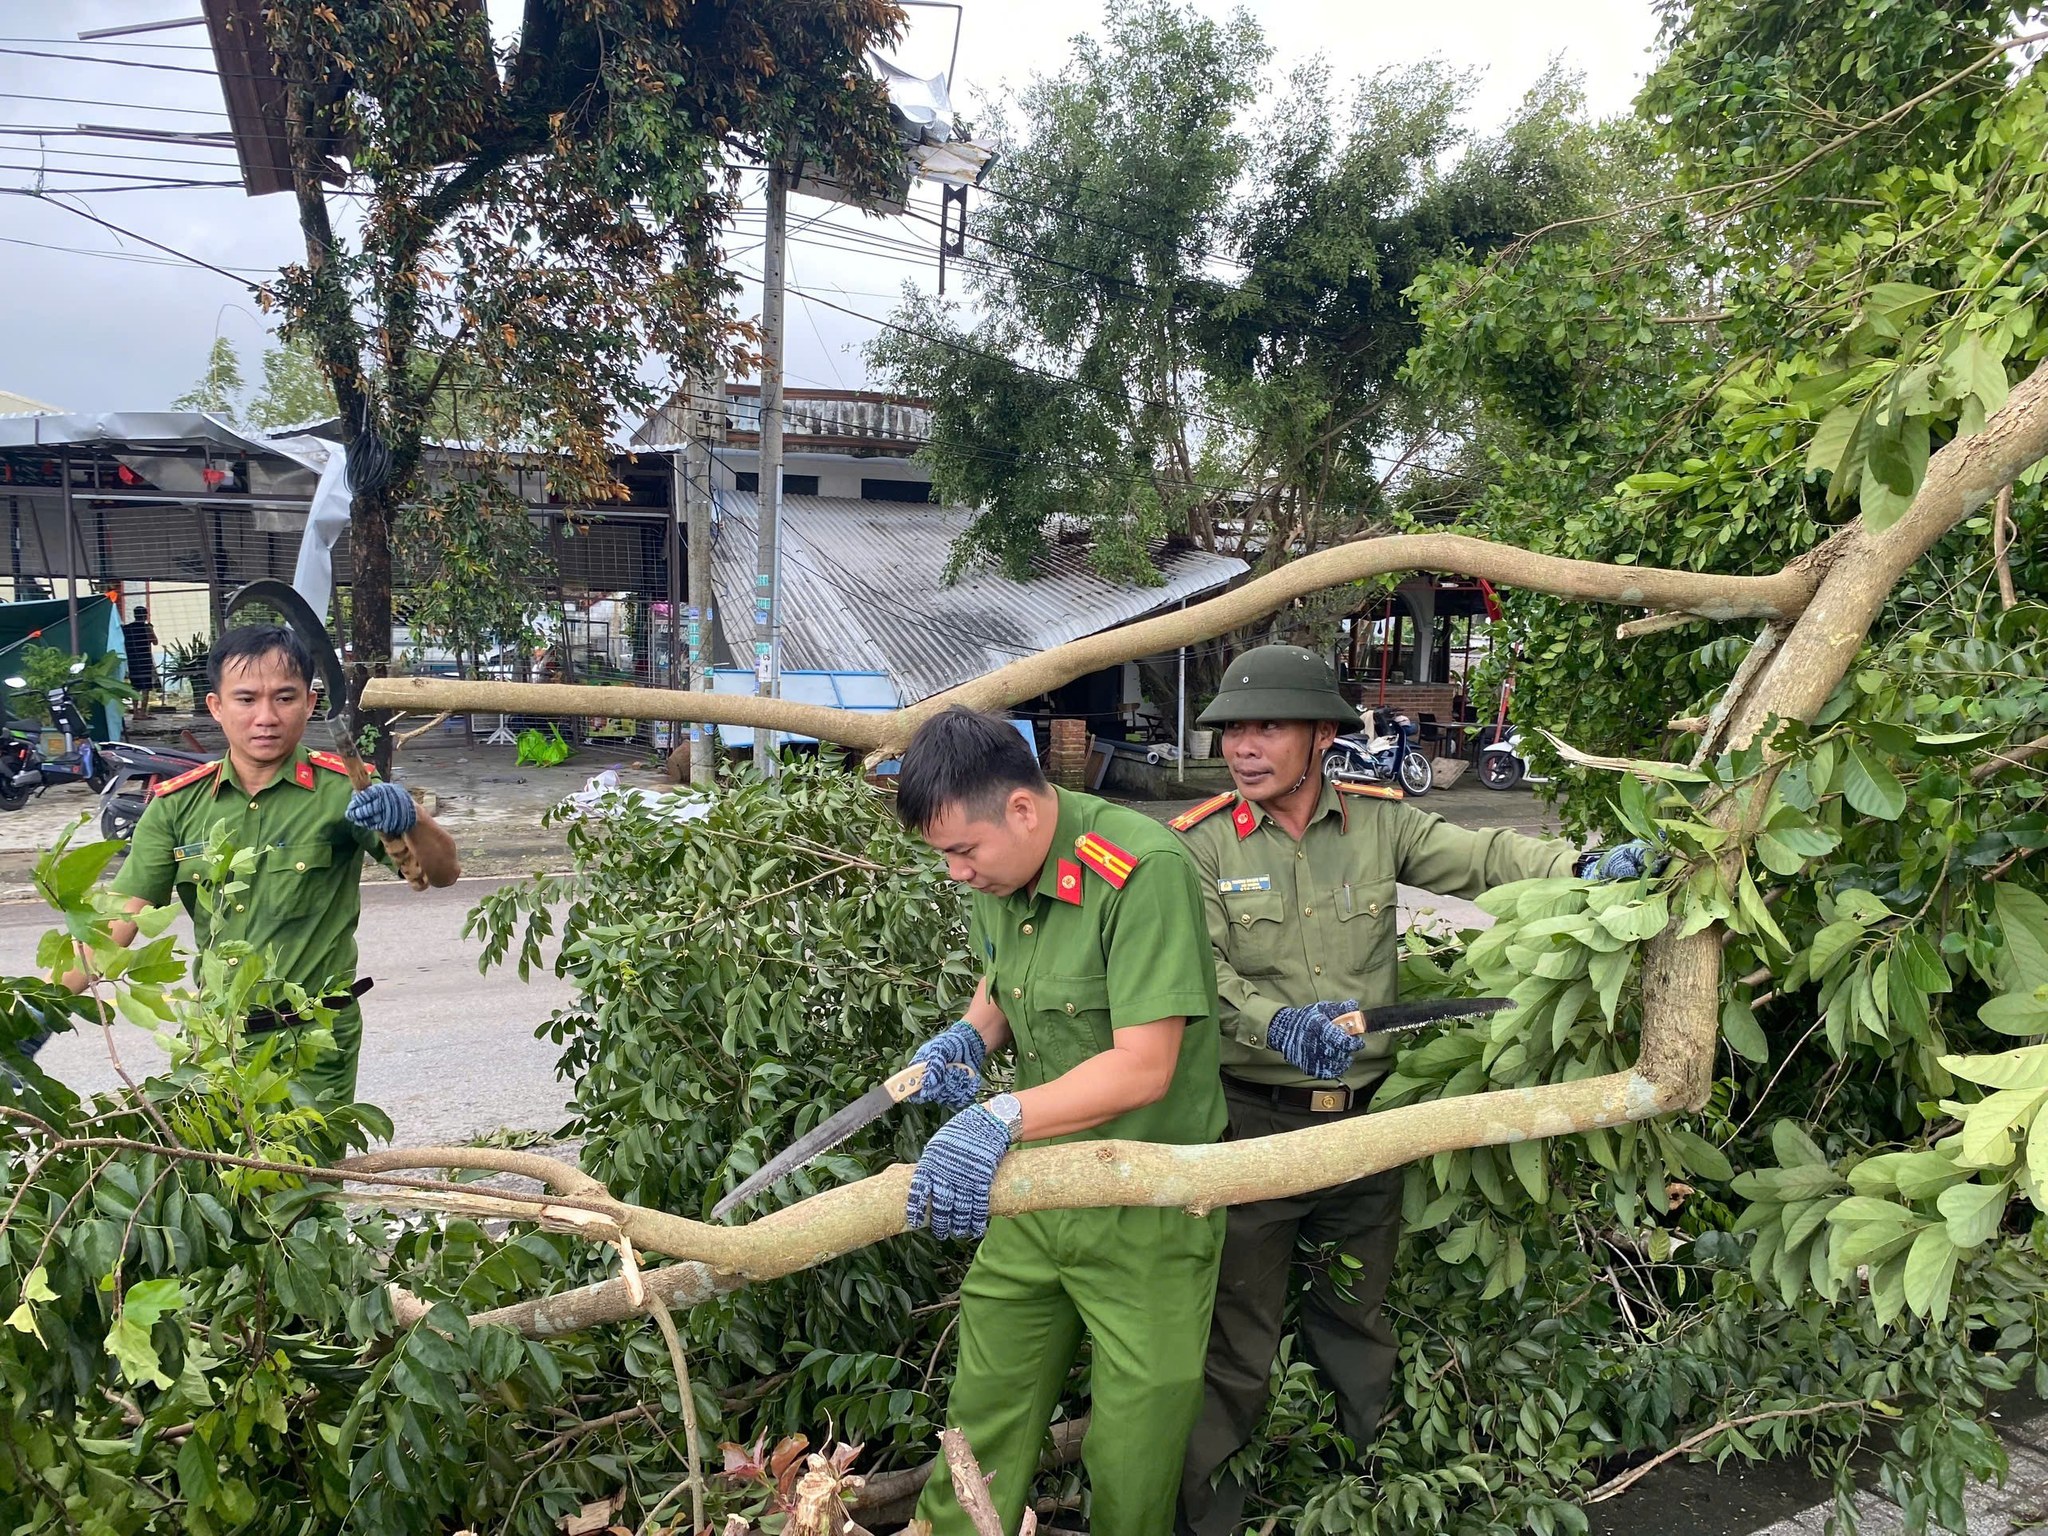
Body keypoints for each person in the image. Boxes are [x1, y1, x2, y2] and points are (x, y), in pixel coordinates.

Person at [1172, 645, 1654, 1536]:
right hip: (1252, 1128)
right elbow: (1196, 975)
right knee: (1234, 1346)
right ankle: (1210, 1521)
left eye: (1266, 726)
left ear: (1321, 736)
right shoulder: (1198, 844)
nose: (1243, 747)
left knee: (1357, 1325)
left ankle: (1366, 1500)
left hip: (1368, 1128)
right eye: (1233, 729)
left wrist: (1582, 870)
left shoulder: (1382, 822)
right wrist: (1274, 1024)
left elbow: (1483, 857)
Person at [893, 706, 1227, 1536]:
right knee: (984, 1414)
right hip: (1037, 1190)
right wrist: (973, 1034)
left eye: (962, 852)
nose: (955, 875)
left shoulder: (1140, 870)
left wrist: (996, 1114)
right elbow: (1007, 976)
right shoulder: (999, 873)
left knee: (1134, 1446)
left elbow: (1144, 1066)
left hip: (1147, 1199)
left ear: (1022, 809)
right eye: (942, 857)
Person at [68, 624, 461, 1105]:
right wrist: (30, 1016)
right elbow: (114, 927)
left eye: (284, 698)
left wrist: (412, 816)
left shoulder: (345, 789)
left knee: (306, 1177)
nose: (266, 717)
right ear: (216, 707)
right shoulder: (176, 806)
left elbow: (440, 875)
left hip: (316, 1045)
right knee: (217, 1178)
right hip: (219, 1043)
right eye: (247, 699)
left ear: (310, 703)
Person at [121, 605, 160, 714]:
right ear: (145, 615)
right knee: (146, 688)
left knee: (135, 686)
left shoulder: (126, 629)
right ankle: (143, 712)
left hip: (132, 659)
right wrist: (151, 629)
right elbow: (155, 641)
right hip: (144, 659)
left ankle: (136, 712)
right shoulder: (146, 628)